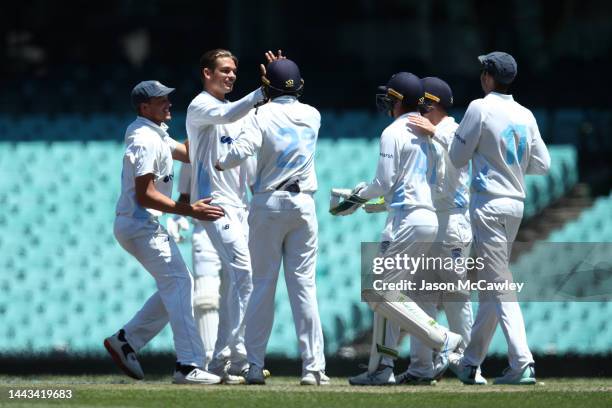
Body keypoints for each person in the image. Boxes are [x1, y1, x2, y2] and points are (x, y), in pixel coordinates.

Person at [334, 72, 464, 386]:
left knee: (379, 292)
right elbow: (415, 184)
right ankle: (381, 369)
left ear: (396, 100)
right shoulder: (426, 134)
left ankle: (442, 338)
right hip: (425, 218)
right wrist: (379, 203)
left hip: (406, 221)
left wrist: (354, 197)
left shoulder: (393, 132)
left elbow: (383, 182)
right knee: (387, 293)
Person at [104, 80, 225, 385]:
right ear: (145, 107)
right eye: (161, 101)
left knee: (179, 284)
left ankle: (126, 339)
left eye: (167, 99)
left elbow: (186, 151)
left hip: (139, 224)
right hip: (139, 223)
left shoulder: (154, 132)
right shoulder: (144, 139)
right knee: (181, 284)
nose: (168, 104)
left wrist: (213, 124)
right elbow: (145, 195)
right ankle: (187, 365)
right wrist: (191, 210)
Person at [215, 59, 328, 386]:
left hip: (267, 203)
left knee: (262, 287)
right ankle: (313, 369)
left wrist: (222, 161)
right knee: (304, 288)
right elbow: (288, 96)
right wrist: (280, 74)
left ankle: (253, 366)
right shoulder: (313, 115)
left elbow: (235, 154)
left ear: (268, 88)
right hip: (303, 204)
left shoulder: (259, 115)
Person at [448, 51, 550, 385]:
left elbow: (457, 156)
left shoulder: (480, 107)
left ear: (488, 76)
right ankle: (470, 362)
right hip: (516, 204)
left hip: (488, 204)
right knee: (494, 284)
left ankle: (522, 362)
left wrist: (485, 155)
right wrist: (512, 167)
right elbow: (542, 164)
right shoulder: (525, 113)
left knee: (500, 284)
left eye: (483, 71)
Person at [186, 48, 281, 382]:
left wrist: (278, 82)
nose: (230, 76)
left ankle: (221, 363)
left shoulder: (233, 110)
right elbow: (233, 114)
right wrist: (261, 91)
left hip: (239, 206)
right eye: (223, 70)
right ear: (206, 73)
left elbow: (253, 121)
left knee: (233, 283)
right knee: (246, 274)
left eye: (233, 71)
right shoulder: (200, 107)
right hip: (213, 205)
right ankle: (234, 352)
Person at [392, 77, 475, 385]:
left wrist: (436, 133)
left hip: (452, 223)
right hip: (427, 222)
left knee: (456, 297)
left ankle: (468, 364)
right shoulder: (421, 131)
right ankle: (420, 368)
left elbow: (461, 155)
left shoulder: (453, 129)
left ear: (433, 104)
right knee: (419, 295)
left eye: (423, 104)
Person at [167, 162, 222, 370]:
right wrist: (178, 214)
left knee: (237, 293)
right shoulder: (193, 142)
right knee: (205, 296)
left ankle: (237, 359)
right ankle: (209, 361)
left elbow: (254, 185)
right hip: (203, 228)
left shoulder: (242, 135)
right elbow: (185, 192)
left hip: (236, 225)